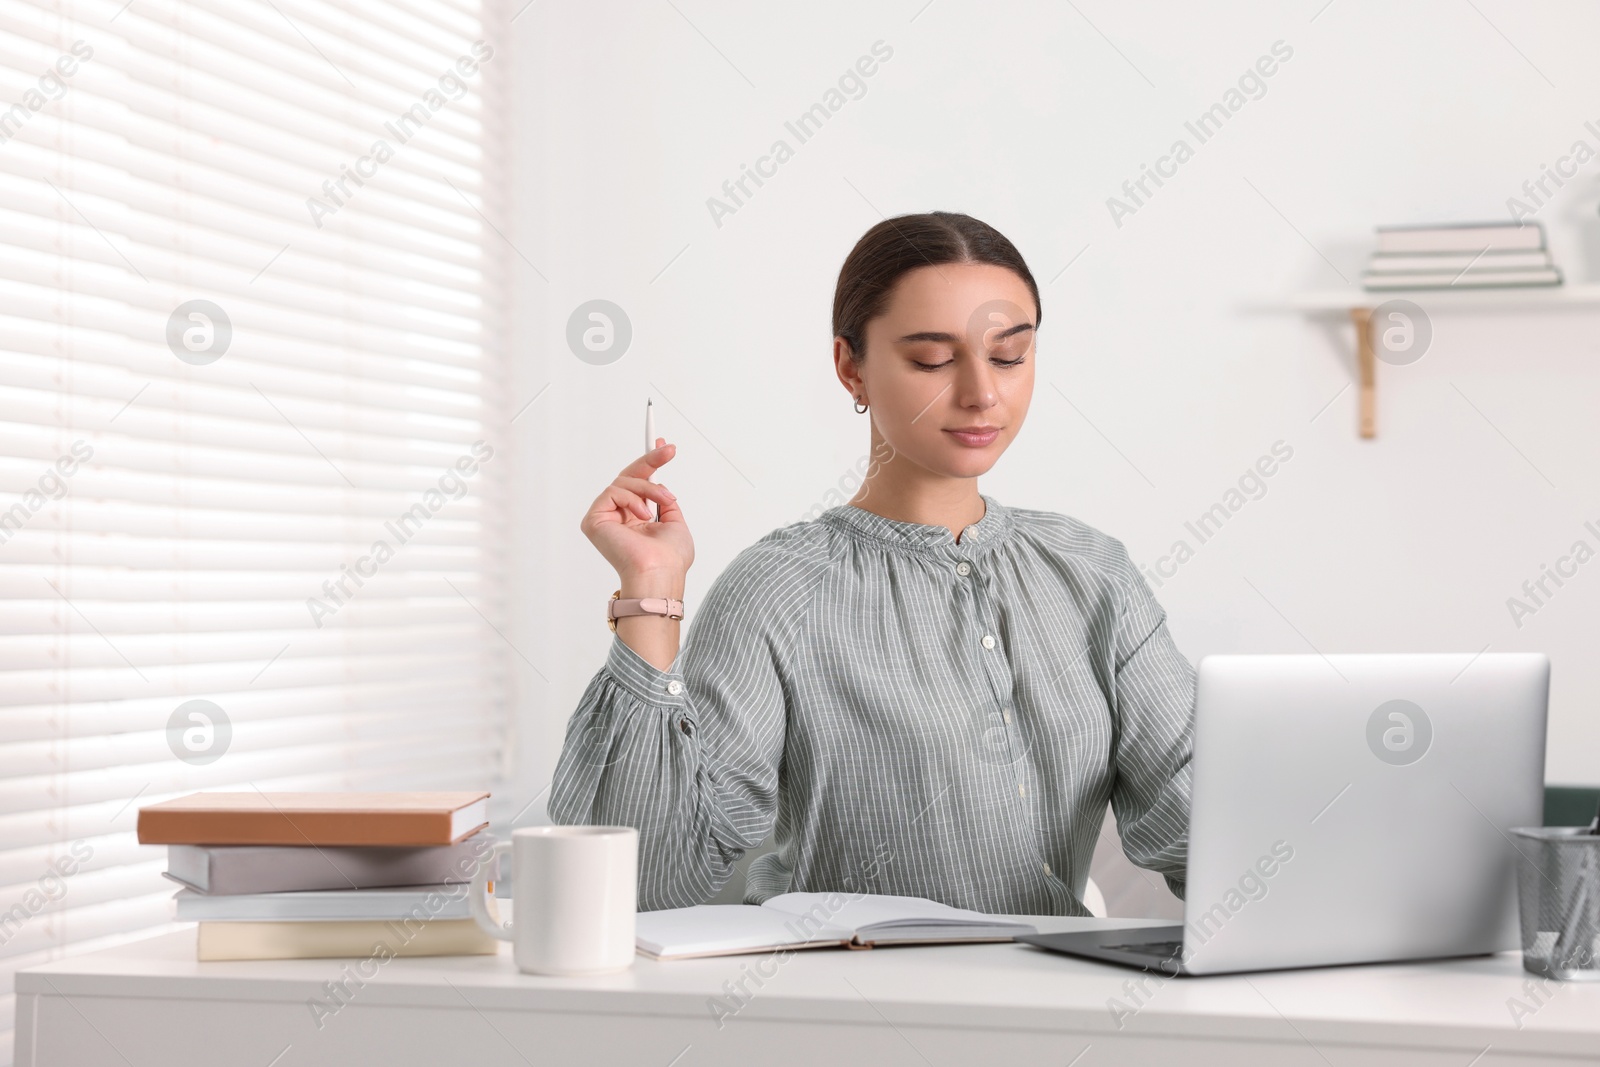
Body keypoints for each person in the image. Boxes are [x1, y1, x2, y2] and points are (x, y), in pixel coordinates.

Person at [551, 211, 1195, 915]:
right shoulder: (778, 591)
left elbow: (1199, 821)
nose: (983, 391)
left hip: (1051, 1003)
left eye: (1009, 354)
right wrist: (650, 591)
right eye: (932, 359)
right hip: (841, 1005)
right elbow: (643, 886)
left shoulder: (1094, 574)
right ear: (851, 367)